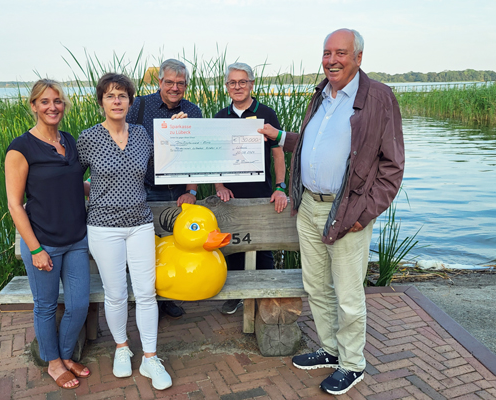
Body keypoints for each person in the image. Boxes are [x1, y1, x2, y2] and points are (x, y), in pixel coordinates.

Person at [259, 29, 405, 395]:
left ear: (358, 57)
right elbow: (312, 145)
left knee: (348, 294)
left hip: (347, 212)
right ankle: (329, 349)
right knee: (316, 286)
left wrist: (364, 212)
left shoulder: (379, 98)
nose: (331, 59)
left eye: (340, 52)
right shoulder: (320, 95)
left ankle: (352, 363)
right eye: (326, 52)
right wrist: (279, 138)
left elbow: (392, 167)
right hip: (309, 206)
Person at [76, 73, 172, 390]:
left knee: (146, 292)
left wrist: (178, 129)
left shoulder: (143, 134)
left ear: (130, 102)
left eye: (122, 96)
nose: (116, 101)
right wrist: (92, 190)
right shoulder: (88, 138)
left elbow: (170, 158)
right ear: (101, 101)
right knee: (116, 294)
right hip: (103, 227)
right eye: (110, 96)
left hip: (140, 223)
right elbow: (71, 177)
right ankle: (121, 348)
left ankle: (150, 358)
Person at [5, 79, 91, 390]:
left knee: (79, 304)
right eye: (44, 102)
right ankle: (53, 363)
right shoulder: (21, 148)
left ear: (63, 106)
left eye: (57, 101)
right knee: (45, 304)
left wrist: (103, 189)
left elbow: (71, 184)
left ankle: (65, 355)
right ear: (33, 106)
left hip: (77, 240)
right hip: (44, 242)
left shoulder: (68, 140)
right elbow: (15, 204)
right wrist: (35, 248)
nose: (52, 107)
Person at [125, 59, 202, 319]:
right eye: (169, 82)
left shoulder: (194, 111)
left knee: (174, 246)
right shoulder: (139, 106)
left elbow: (196, 154)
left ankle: (168, 297)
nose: (174, 88)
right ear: (159, 82)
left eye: (180, 84)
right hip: (145, 188)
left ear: (186, 86)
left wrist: (191, 191)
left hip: (179, 191)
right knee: (147, 247)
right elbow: (124, 142)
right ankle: (148, 299)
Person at [213, 62, 288, 315]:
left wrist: (280, 187)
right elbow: (215, 156)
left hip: (260, 193)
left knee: (262, 246)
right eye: (232, 82)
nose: (237, 87)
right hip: (229, 195)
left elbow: (278, 155)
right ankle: (236, 296)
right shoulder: (220, 117)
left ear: (251, 84)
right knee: (232, 246)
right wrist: (220, 185)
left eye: (242, 82)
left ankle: (266, 297)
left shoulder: (267, 113)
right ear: (226, 87)